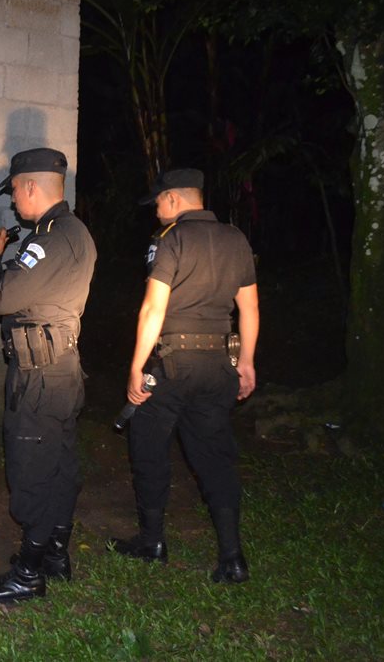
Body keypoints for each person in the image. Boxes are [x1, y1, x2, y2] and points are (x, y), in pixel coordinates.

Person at [110, 168, 259, 584]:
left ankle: (152, 541)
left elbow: (153, 308)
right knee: (215, 456)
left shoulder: (169, 240)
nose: (156, 210)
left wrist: (137, 367)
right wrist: (245, 362)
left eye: (158, 201)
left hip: (172, 364)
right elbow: (249, 308)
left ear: (174, 199)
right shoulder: (236, 238)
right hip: (218, 365)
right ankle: (232, 557)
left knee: (149, 448)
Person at [0, 147, 96, 604]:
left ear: (30, 187)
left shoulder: (50, 238)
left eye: (15, 193)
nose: (13, 204)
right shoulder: (74, 233)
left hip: (39, 376)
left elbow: (1, 297)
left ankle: (27, 571)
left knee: (30, 471)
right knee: (59, 464)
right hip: (61, 369)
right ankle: (55, 554)